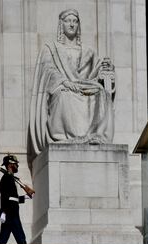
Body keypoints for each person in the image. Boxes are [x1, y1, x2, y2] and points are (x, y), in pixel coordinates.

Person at [28, 9, 115, 164]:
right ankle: (64, 136)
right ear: (61, 25)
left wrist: (106, 68)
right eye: (68, 21)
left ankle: (96, 134)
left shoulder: (89, 51)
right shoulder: (51, 48)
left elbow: (95, 73)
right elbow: (48, 69)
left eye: (75, 21)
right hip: (63, 86)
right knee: (63, 94)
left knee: (101, 92)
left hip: (84, 86)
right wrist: (64, 81)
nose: (72, 24)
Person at [0, 154, 33, 244]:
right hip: (10, 212)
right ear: (10, 165)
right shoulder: (7, 178)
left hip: (12, 211)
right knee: (20, 237)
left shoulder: (10, 178)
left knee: (4, 237)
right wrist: (3, 212)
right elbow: (5, 197)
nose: (17, 166)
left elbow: (12, 198)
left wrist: (24, 197)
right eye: (15, 164)